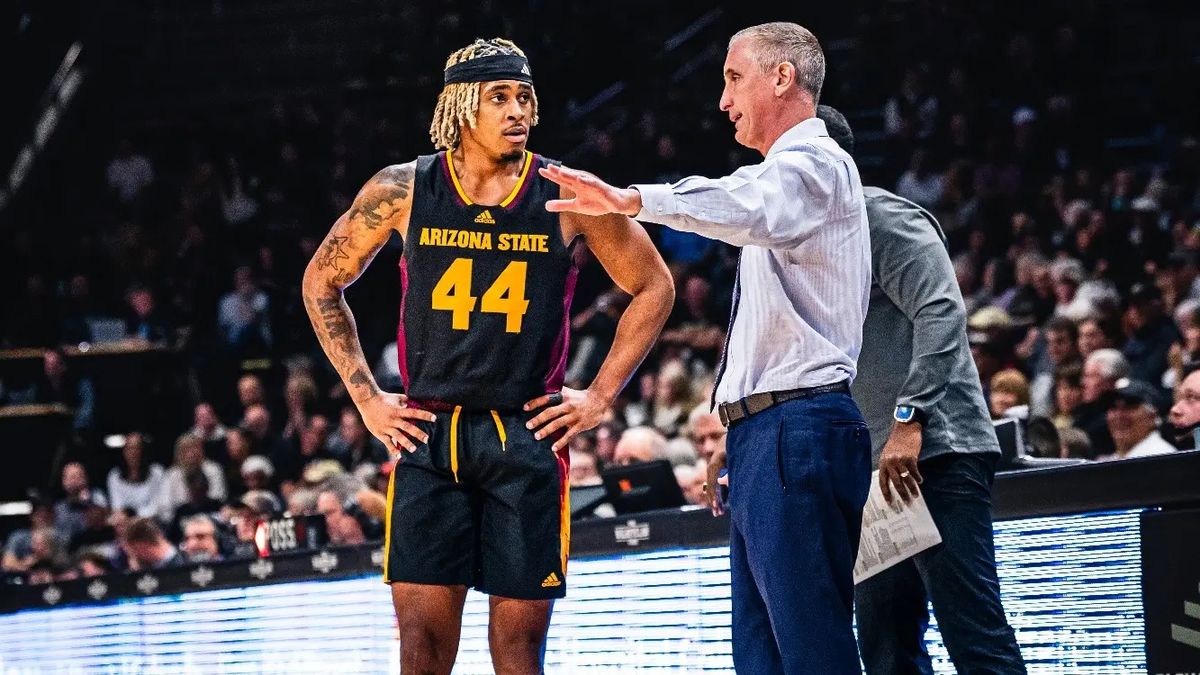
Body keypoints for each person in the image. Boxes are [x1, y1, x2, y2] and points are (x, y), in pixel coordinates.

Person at [300, 37, 673, 675]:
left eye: (524, 96)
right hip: (428, 433)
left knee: (519, 655)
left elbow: (654, 286)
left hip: (522, 434)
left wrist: (600, 395)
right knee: (420, 652)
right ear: (462, 106)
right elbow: (320, 283)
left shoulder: (563, 192)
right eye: (499, 97)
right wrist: (366, 398)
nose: (516, 110)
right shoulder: (407, 187)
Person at [539, 23, 872, 673]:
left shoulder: (815, 165)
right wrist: (737, 441)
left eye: (732, 78)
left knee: (812, 653)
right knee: (763, 658)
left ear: (782, 78)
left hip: (796, 428)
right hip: (769, 433)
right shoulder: (793, 179)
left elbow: (742, 200)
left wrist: (637, 199)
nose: (722, 101)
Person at [819, 105, 1026, 674]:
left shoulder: (883, 218)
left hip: (934, 452)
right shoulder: (813, 244)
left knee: (973, 636)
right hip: (874, 470)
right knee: (886, 648)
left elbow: (941, 313)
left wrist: (909, 420)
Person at [1096, 378, 1176, 461]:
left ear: (1152, 417)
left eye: (1129, 407)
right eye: (1113, 407)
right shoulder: (1109, 460)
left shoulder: (1161, 457)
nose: (1119, 416)